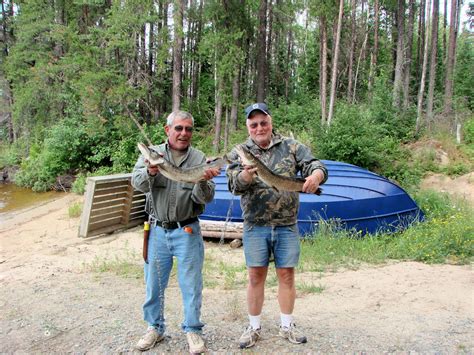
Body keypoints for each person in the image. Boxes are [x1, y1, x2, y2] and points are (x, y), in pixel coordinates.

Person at [226, 103, 328, 349]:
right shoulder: (240, 152)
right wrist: (246, 175)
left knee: (286, 275)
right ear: (248, 127)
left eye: (263, 122)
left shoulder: (291, 146)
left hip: (286, 224)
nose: (259, 128)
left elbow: (316, 165)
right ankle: (253, 327)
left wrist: (315, 177)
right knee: (255, 277)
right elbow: (233, 185)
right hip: (255, 225)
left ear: (270, 123)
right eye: (254, 124)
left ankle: (286, 325)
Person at [132, 110, 220, 353]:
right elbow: (137, 183)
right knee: (154, 284)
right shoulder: (155, 154)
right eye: (179, 128)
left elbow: (207, 197)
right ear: (167, 129)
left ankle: (193, 330)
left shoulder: (199, 158)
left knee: (191, 284)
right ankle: (155, 328)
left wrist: (202, 180)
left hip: (187, 229)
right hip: (158, 230)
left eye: (188, 129)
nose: (184, 133)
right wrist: (150, 170)